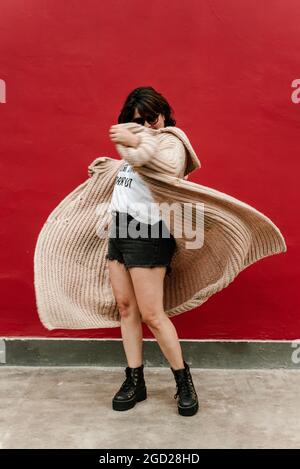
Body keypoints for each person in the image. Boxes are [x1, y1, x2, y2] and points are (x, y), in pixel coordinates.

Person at [106, 86, 199, 416]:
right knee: (125, 308)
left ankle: (183, 380)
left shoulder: (171, 142)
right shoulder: (134, 150)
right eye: (137, 121)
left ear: (163, 115)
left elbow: (167, 168)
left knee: (153, 316)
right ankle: (135, 380)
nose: (146, 125)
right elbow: (132, 171)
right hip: (119, 230)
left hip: (148, 232)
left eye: (151, 118)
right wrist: (108, 167)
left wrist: (135, 140)